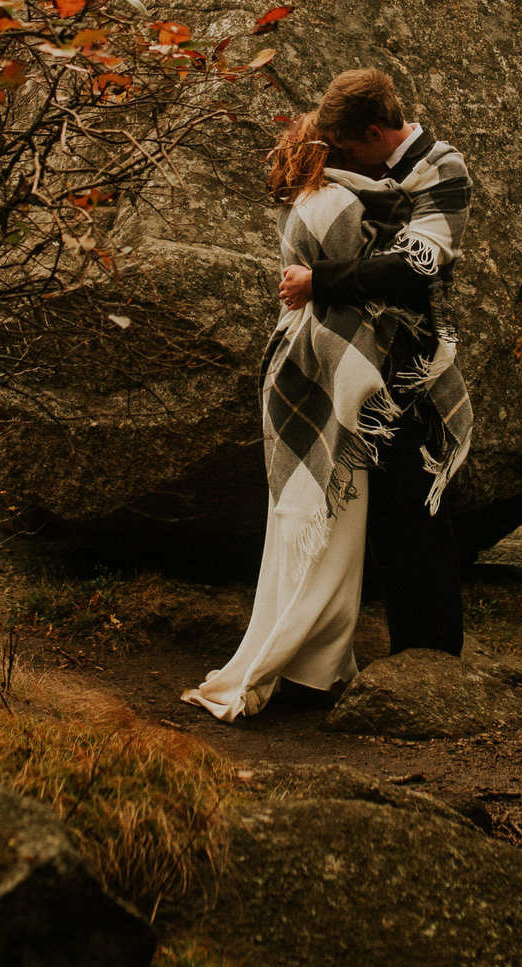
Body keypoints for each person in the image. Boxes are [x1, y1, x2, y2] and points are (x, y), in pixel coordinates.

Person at [182, 69, 476, 722]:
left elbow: (420, 263)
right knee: (376, 520)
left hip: (410, 366)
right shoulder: (356, 177)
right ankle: (394, 661)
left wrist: (320, 280)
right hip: (358, 368)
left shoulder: (442, 168)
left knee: (419, 514)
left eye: (348, 148)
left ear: (373, 132)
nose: (343, 159)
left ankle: (434, 666)